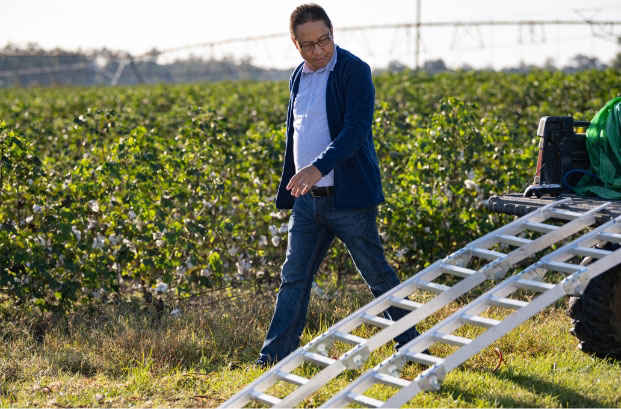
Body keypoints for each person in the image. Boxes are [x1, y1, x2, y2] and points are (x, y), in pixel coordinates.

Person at [256, 3, 420, 366]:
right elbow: (297, 134)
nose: (318, 50)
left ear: (332, 33)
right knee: (293, 280)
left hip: (347, 199)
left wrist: (318, 167)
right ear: (295, 45)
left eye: (324, 40)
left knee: (377, 275)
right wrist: (297, 180)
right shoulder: (298, 76)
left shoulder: (353, 71)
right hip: (306, 202)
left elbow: (356, 131)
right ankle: (274, 359)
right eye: (308, 45)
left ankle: (411, 345)